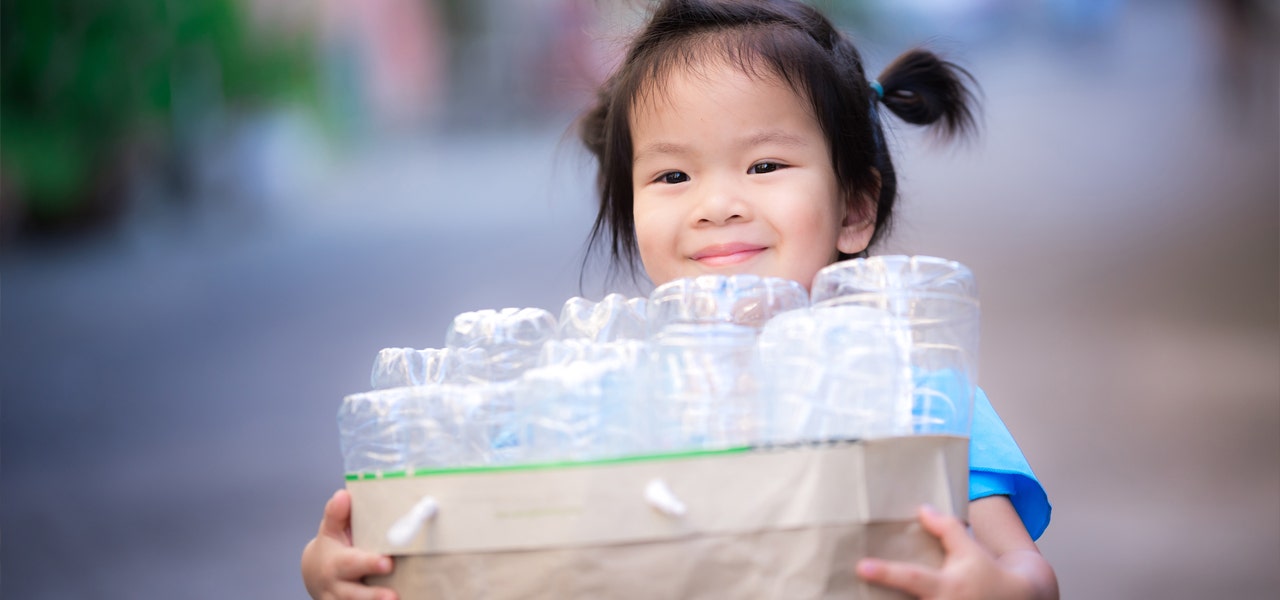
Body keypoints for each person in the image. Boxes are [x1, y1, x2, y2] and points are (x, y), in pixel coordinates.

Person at [302, 1, 1058, 598]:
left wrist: (994, 588)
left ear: (855, 207)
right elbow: (465, 520)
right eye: (672, 177)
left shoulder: (914, 388)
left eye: (765, 164)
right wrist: (347, 560)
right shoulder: (592, 394)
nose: (717, 204)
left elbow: (1027, 573)